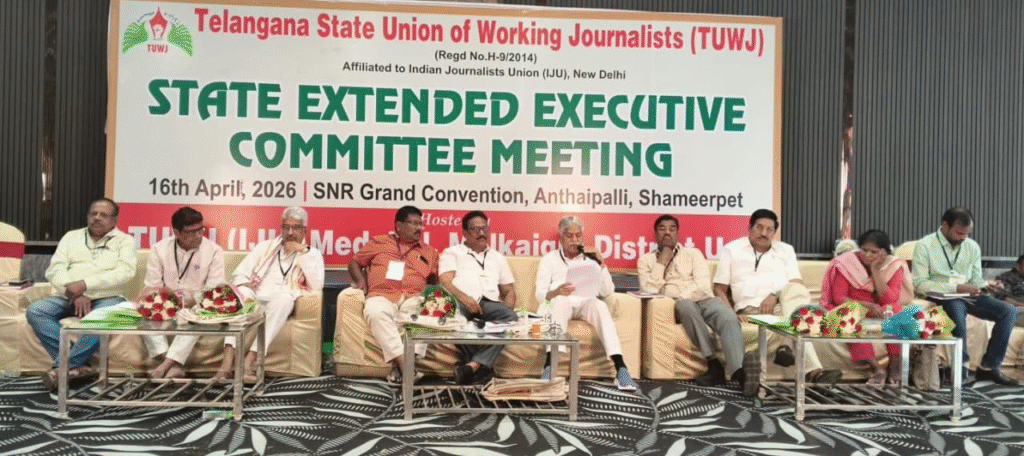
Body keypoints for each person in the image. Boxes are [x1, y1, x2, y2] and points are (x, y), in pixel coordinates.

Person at [713, 209, 843, 385]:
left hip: (782, 304)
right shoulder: (732, 249)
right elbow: (719, 289)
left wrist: (774, 294)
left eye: (770, 229)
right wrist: (730, 314)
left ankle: (789, 347)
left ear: (774, 232)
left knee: (796, 292)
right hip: (751, 309)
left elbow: (795, 282)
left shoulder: (785, 250)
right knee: (798, 316)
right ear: (749, 228)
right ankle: (809, 368)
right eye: (759, 227)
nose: (764, 233)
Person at [27, 198, 138, 389]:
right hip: (68, 296)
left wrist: (85, 285)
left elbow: (125, 272)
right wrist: (75, 293)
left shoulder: (125, 241)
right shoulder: (71, 237)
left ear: (114, 220)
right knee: (36, 310)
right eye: (93, 213)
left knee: (107, 316)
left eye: (103, 215)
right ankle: (79, 366)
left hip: (107, 298)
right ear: (87, 216)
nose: (97, 218)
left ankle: (63, 368)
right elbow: (54, 270)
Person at [638, 214, 747, 391]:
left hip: (705, 300)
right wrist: (661, 262)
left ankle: (739, 372)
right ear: (655, 234)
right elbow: (649, 291)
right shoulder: (646, 261)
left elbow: (703, 286)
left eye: (672, 229)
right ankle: (713, 363)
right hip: (679, 305)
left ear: (678, 233)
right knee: (686, 307)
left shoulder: (693, 254)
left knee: (727, 316)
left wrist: (681, 295)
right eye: (662, 229)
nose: (667, 233)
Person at [913, 206, 1019, 385]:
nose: (963, 238)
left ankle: (989, 367)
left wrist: (988, 286)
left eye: (967, 234)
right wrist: (956, 287)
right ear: (945, 226)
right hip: (939, 295)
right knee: (956, 306)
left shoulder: (972, 246)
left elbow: (976, 280)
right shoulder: (925, 245)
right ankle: (960, 366)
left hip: (967, 295)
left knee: (1008, 311)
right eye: (959, 233)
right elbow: (920, 283)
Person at [215, 206, 324, 381]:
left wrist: (302, 253)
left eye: (295, 228)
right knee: (240, 294)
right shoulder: (265, 247)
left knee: (285, 299)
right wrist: (245, 284)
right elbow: (240, 274)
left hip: (279, 302)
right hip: (255, 299)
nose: (290, 233)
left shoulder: (312, 254)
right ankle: (226, 366)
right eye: (286, 227)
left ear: (304, 230)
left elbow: (317, 285)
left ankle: (249, 362)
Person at [535, 216, 638, 391]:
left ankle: (621, 368)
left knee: (601, 305)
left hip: (584, 301)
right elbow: (540, 294)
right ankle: (550, 366)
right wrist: (556, 292)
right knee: (560, 302)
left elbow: (607, 291)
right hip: (560, 302)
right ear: (561, 238)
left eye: (578, 235)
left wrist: (601, 263)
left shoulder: (591, 259)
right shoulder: (549, 259)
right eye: (569, 236)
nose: (574, 240)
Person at [349, 205, 439, 384]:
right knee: (375, 312)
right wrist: (361, 282)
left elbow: (434, 281)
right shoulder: (379, 242)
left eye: (420, 224)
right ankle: (407, 367)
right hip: (382, 294)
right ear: (398, 225)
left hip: (413, 297)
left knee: (429, 311)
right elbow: (354, 263)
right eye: (413, 224)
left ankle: (401, 367)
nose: (419, 228)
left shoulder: (430, 252)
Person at [820, 229, 913, 384]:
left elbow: (890, 299)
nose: (867, 255)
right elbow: (839, 297)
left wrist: (875, 270)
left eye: (874, 252)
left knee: (897, 312)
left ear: (884, 252)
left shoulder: (893, 265)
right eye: (864, 250)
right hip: (853, 307)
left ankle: (894, 365)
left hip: (879, 310)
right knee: (848, 315)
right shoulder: (846, 263)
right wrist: (867, 305)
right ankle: (877, 368)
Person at [439, 211, 519, 384]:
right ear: (465, 233)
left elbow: (509, 291)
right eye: (476, 229)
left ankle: (472, 366)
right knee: (453, 319)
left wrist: (506, 309)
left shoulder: (497, 257)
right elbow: (445, 282)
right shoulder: (452, 253)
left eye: (484, 229)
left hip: (489, 303)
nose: (482, 233)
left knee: (511, 318)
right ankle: (481, 369)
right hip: (460, 302)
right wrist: (465, 299)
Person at [144, 207, 225, 379]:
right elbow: (152, 285)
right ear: (176, 232)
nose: (198, 236)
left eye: (200, 230)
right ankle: (172, 363)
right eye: (191, 232)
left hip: (197, 302)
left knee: (200, 313)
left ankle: (165, 365)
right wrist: (167, 298)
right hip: (167, 300)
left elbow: (214, 289)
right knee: (147, 307)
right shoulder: (159, 249)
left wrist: (193, 300)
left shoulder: (214, 250)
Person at [993, 254, 1024, 327]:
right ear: (1018, 266)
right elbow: (1003, 298)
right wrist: (1022, 305)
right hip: (1017, 309)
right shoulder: (1007, 277)